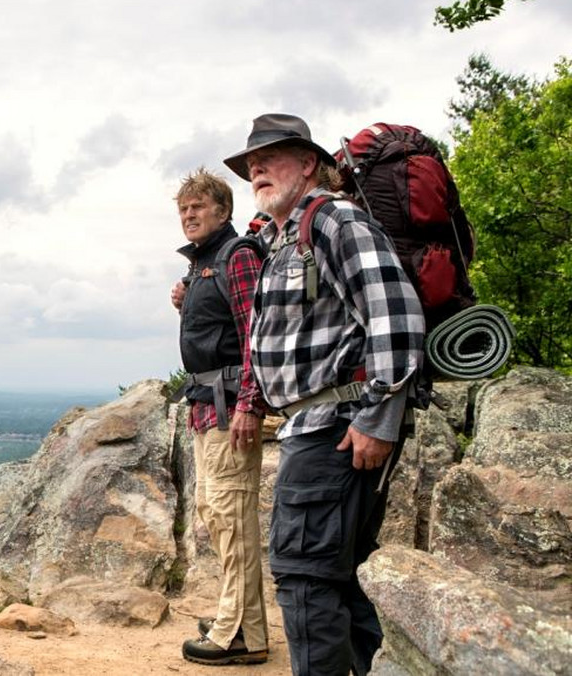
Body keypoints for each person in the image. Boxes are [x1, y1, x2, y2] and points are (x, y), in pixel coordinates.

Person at [222, 113, 425, 675]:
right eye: (249, 166)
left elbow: (397, 317)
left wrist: (379, 417)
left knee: (305, 579)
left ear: (309, 164)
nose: (255, 170)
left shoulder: (335, 221)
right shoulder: (284, 237)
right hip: (314, 427)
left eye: (270, 158)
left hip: (335, 430)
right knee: (339, 577)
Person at [171, 168, 269, 666]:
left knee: (232, 518)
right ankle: (246, 625)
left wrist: (251, 403)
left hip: (232, 405)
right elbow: (218, 331)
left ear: (223, 211)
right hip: (208, 405)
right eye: (183, 209)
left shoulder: (237, 256)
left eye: (198, 207)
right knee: (217, 513)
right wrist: (187, 303)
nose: (188, 215)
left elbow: (256, 334)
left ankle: (238, 635)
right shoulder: (205, 265)